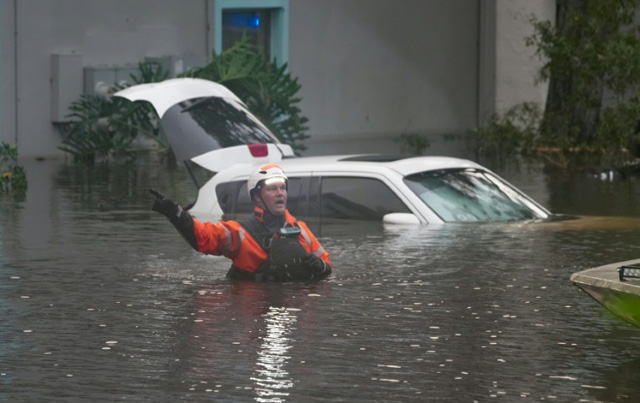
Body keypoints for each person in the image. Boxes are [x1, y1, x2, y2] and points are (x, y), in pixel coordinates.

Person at [150, 163, 332, 281]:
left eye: (283, 188)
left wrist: (322, 267)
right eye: (272, 189)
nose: (280, 193)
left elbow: (327, 264)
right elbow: (202, 237)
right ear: (256, 196)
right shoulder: (239, 233)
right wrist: (175, 212)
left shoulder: (301, 230)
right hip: (253, 312)